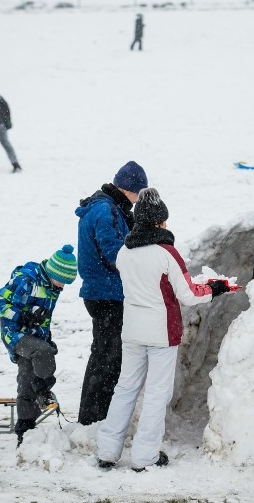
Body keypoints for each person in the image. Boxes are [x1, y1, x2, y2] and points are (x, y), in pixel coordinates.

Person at [97, 188, 232, 471]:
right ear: (158, 222)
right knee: (157, 393)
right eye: (164, 221)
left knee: (125, 387)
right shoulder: (166, 253)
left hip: (132, 329)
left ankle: (107, 450)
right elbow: (189, 294)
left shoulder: (124, 252)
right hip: (161, 331)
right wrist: (215, 288)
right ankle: (145, 456)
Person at [75, 161, 149, 425]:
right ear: (129, 189)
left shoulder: (105, 207)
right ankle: (94, 419)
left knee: (104, 355)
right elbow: (114, 256)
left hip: (100, 292)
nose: (139, 199)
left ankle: (94, 416)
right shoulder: (107, 211)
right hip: (107, 294)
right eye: (139, 193)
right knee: (108, 359)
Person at [0, 245, 78, 446]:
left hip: (36, 335)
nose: (63, 286)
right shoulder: (26, 280)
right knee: (43, 353)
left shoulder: (52, 286)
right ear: (53, 272)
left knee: (25, 380)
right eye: (63, 281)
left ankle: (25, 429)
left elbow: (44, 317)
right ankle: (43, 389)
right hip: (14, 333)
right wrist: (23, 316)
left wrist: (45, 334)